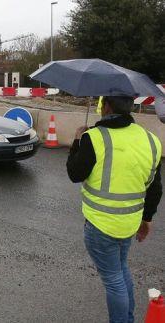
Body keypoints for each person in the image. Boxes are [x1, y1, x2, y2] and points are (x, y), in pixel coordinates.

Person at [67, 95, 162, 323]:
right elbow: (155, 188)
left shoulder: (94, 137)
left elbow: (75, 174)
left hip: (100, 224)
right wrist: (146, 219)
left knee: (113, 279)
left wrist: (78, 141)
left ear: (106, 106)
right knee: (120, 270)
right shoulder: (150, 140)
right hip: (130, 222)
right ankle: (127, 318)